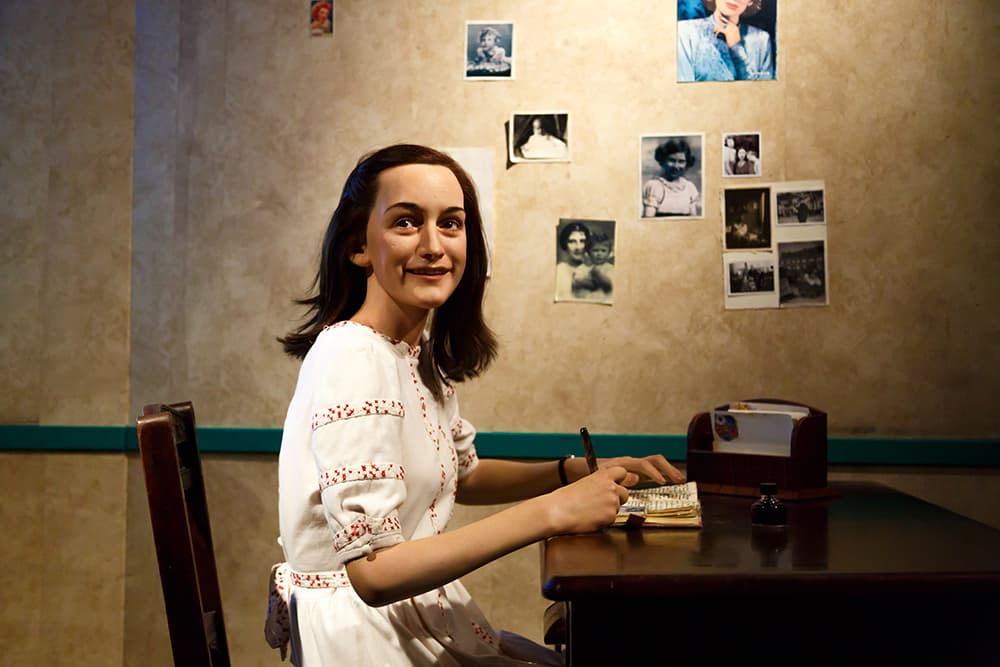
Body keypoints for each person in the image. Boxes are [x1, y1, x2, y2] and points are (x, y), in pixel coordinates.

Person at [271, 144, 684, 665]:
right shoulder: (352, 356)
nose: (433, 245)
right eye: (405, 223)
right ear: (358, 245)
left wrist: (570, 472)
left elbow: (463, 476)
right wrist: (555, 511)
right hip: (364, 638)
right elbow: (373, 573)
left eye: (451, 223)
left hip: (411, 619)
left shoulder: (412, 357)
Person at [677, 0, 774, 82]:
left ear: (751, 1)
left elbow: (762, 92)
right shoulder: (685, 31)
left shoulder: (761, 39)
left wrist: (736, 48)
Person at [642, 138, 701, 217]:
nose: (676, 166)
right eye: (672, 160)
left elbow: (694, 221)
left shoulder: (690, 188)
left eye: (681, 161)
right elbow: (648, 222)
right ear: (663, 161)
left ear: (687, 163)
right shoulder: (655, 187)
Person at [574, 231, 614, 303]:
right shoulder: (583, 267)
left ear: (609, 253)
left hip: (603, 302)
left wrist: (597, 275)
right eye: (595, 250)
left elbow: (610, 285)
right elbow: (577, 282)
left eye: (603, 251)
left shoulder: (610, 268)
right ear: (588, 252)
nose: (599, 254)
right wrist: (588, 282)